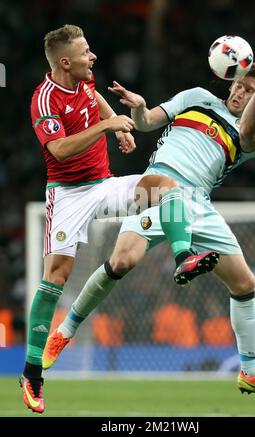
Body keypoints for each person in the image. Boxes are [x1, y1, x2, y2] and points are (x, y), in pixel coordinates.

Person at [43, 60, 255, 403]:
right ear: (230, 82)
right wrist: (142, 107)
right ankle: (65, 330)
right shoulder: (198, 97)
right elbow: (146, 123)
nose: (241, 92)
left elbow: (247, 133)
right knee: (122, 260)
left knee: (245, 283)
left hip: (198, 204)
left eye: (250, 90)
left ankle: (251, 373)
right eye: (239, 85)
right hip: (157, 187)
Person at [20, 24, 218, 414]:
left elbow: (94, 99)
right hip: (68, 196)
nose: (92, 57)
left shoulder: (84, 84)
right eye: (85, 52)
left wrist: (118, 130)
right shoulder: (44, 100)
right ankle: (32, 373)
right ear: (64, 62)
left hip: (104, 187)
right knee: (55, 278)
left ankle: (184, 258)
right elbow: (58, 150)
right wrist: (106, 127)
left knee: (166, 187)